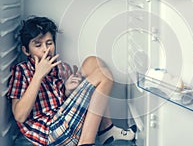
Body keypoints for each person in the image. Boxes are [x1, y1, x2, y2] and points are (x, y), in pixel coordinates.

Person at [7, 16, 135, 146]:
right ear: (26, 51)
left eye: (49, 43)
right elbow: (20, 116)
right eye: (38, 45)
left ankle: (106, 130)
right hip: (49, 132)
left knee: (92, 61)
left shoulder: (62, 68)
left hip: (64, 121)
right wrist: (38, 75)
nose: (46, 49)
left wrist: (68, 91)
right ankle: (86, 142)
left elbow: (61, 106)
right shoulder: (21, 71)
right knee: (104, 77)